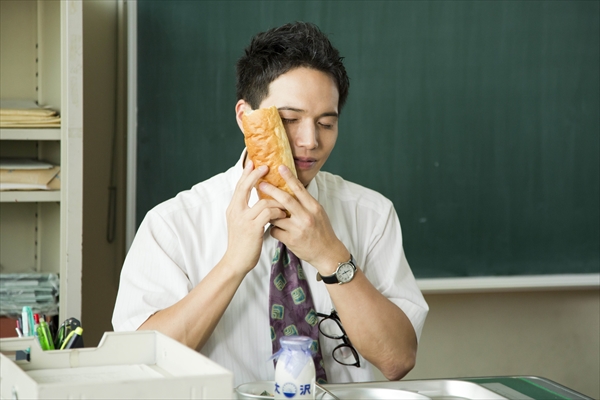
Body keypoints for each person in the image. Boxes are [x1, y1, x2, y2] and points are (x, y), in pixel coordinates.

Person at [112, 21, 428, 386]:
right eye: (290, 120)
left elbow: (398, 360)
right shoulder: (173, 223)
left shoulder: (371, 214)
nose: (310, 141)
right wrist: (232, 265)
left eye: (326, 123)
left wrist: (332, 257)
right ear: (245, 117)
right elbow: (143, 364)